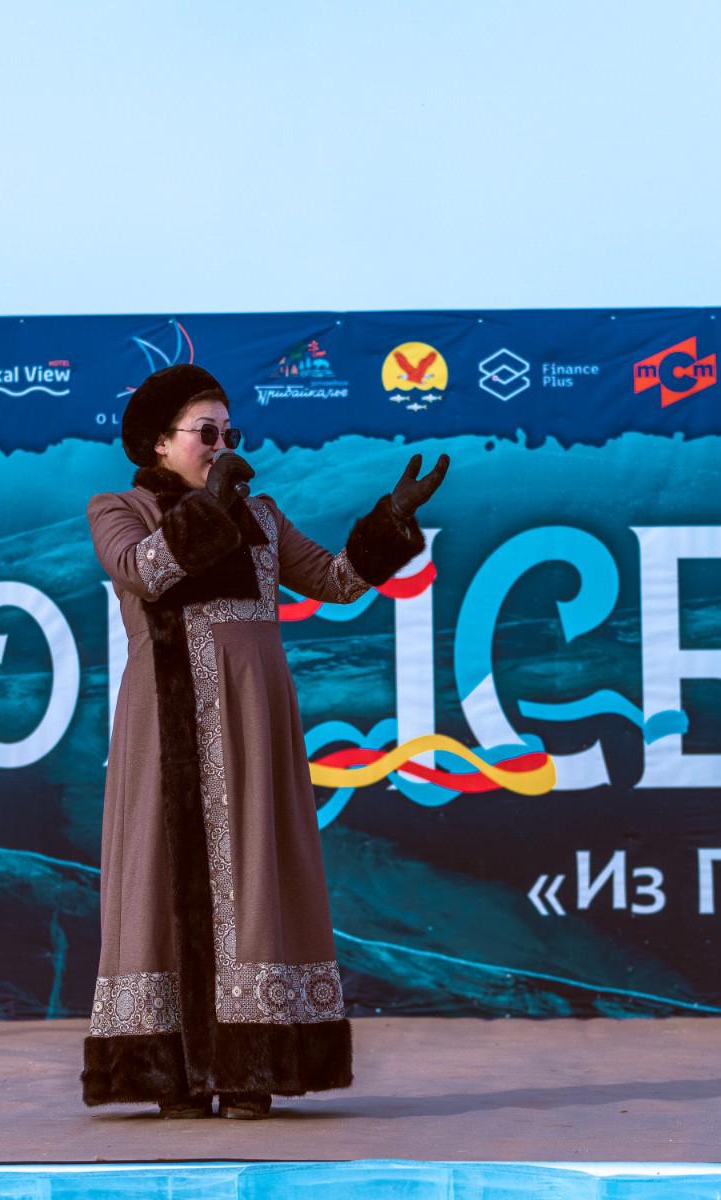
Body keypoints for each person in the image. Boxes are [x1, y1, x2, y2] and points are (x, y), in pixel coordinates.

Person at [80, 363, 448, 1119]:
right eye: (205, 432)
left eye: (229, 432)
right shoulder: (121, 510)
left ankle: (249, 1065)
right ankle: (172, 1074)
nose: (222, 444)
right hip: (167, 724)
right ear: (159, 442)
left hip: (251, 722)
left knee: (254, 874)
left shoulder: (263, 517)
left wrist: (389, 523)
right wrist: (211, 504)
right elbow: (146, 572)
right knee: (163, 876)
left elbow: (339, 581)